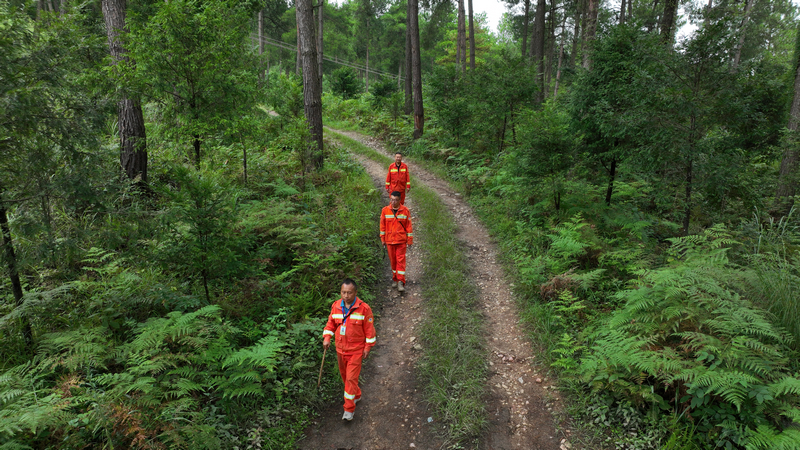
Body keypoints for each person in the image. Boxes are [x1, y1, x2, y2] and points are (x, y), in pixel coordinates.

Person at [322, 279, 376, 421]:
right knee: (345, 377)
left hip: (356, 351)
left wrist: (367, 347)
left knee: (351, 378)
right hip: (340, 350)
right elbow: (330, 324)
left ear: (355, 293)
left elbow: (370, 331)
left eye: (349, 293)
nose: (346, 295)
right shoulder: (336, 307)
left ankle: (348, 409)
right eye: (343, 292)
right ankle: (356, 395)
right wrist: (327, 337)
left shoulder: (364, 309)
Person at [380, 191, 413, 292]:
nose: (393, 202)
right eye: (392, 199)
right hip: (389, 241)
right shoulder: (385, 211)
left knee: (400, 261)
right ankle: (395, 278)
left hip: (401, 241)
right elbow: (382, 226)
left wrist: (410, 240)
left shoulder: (405, 211)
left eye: (396, 200)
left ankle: (400, 282)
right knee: (393, 262)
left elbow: (409, 227)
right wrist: (382, 239)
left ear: (400, 200)